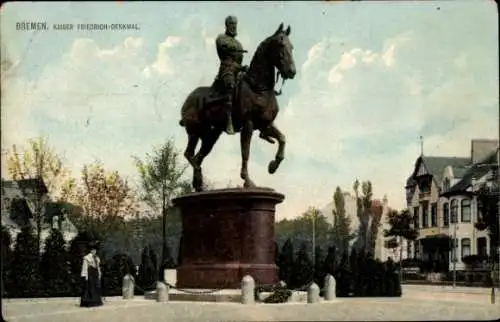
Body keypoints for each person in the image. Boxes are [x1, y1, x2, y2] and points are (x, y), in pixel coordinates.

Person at [215, 15, 248, 135]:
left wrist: (243, 68)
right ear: (226, 25)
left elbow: (239, 60)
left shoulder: (239, 44)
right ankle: (228, 120)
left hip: (238, 70)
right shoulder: (221, 38)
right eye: (231, 24)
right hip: (227, 69)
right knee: (230, 85)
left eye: (235, 24)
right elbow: (224, 53)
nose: (233, 26)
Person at [80, 241, 103, 308]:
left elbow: (98, 267)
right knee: (89, 288)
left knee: (95, 288)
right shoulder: (86, 258)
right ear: (90, 250)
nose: (93, 251)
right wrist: (85, 276)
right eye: (92, 250)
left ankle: (96, 301)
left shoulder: (97, 258)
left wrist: (99, 274)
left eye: (95, 250)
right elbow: (84, 267)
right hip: (90, 274)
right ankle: (88, 302)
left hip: (95, 274)